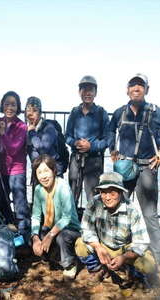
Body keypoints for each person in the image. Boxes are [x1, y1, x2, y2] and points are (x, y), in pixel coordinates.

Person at [109, 74, 160, 264]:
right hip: (124, 168)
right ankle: (117, 251)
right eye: (133, 85)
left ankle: (157, 257)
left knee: (149, 213)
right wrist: (112, 148)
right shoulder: (120, 113)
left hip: (146, 168)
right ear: (127, 89)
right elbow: (110, 129)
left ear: (147, 89)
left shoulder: (155, 112)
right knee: (118, 208)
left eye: (140, 85)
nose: (136, 88)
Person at [75, 172, 157, 286]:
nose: (107, 197)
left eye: (112, 193)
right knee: (80, 245)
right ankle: (99, 269)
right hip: (103, 246)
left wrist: (124, 257)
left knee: (148, 265)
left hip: (124, 249)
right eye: (103, 193)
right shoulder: (94, 202)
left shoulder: (132, 210)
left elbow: (141, 242)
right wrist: (98, 247)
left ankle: (129, 273)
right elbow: (86, 229)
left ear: (120, 192)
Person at [30, 154, 81, 279]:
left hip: (70, 229)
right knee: (39, 235)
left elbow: (66, 218)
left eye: (46, 171)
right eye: (39, 172)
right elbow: (36, 216)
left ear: (54, 171)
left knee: (62, 237)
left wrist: (50, 235)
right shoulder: (38, 190)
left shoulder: (63, 186)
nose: (43, 176)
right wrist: (35, 238)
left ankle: (69, 264)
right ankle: (52, 258)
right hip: (51, 227)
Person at [65, 75, 110, 207]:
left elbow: (108, 140)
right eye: (84, 90)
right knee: (72, 194)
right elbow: (67, 135)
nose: (87, 93)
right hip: (76, 159)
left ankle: (92, 225)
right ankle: (71, 224)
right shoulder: (74, 113)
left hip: (94, 160)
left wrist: (92, 146)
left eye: (91, 90)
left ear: (96, 93)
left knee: (93, 196)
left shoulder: (101, 113)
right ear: (79, 92)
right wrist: (75, 143)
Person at [0, 91, 30, 241]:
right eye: (7, 104)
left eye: (13, 104)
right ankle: (6, 232)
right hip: (2, 169)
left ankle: (24, 235)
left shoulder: (22, 126)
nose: (9, 107)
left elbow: (13, 149)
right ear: (2, 105)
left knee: (20, 204)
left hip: (17, 170)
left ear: (18, 107)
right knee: (3, 202)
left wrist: (3, 133)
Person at [25, 96, 67, 179]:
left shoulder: (49, 128)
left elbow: (43, 149)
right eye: (28, 110)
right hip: (39, 172)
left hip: (53, 173)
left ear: (40, 113)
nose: (30, 114)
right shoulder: (28, 128)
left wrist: (32, 132)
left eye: (35, 110)